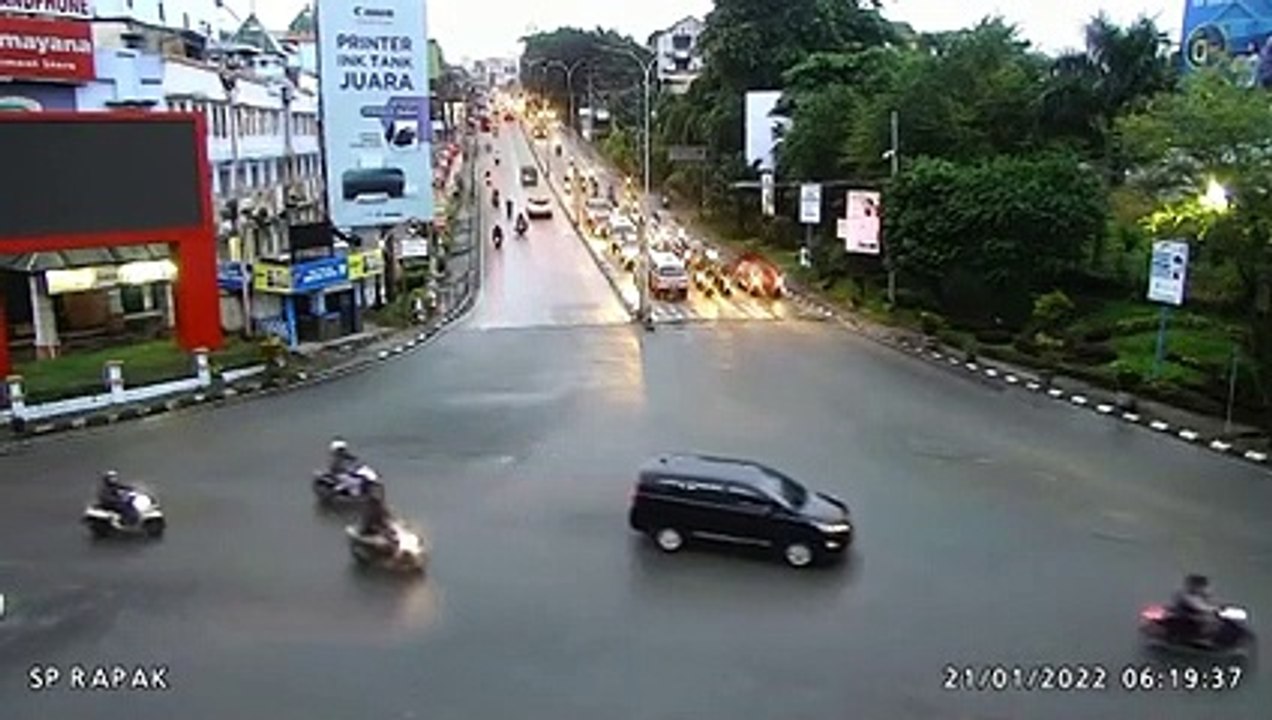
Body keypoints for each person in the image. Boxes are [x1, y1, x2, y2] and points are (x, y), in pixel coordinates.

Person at [1172, 574, 1220, 644]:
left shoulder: (1204, 597)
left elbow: (1213, 604)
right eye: (1201, 586)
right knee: (1206, 622)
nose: (1204, 588)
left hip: (1199, 617)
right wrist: (1213, 609)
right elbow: (1196, 605)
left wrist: (1216, 608)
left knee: (1215, 621)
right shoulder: (1183, 595)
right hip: (1186, 618)